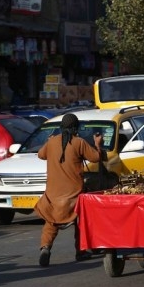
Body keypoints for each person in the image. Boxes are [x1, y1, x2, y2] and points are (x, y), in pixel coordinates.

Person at [34, 113, 104, 267]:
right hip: (74, 195)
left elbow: (40, 154)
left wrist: (48, 143)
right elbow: (96, 158)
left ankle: (45, 247)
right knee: (80, 221)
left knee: (51, 222)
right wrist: (98, 144)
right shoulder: (79, 142)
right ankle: (80, 251)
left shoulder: (52, 142)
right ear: (76, 128)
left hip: (53, 195)